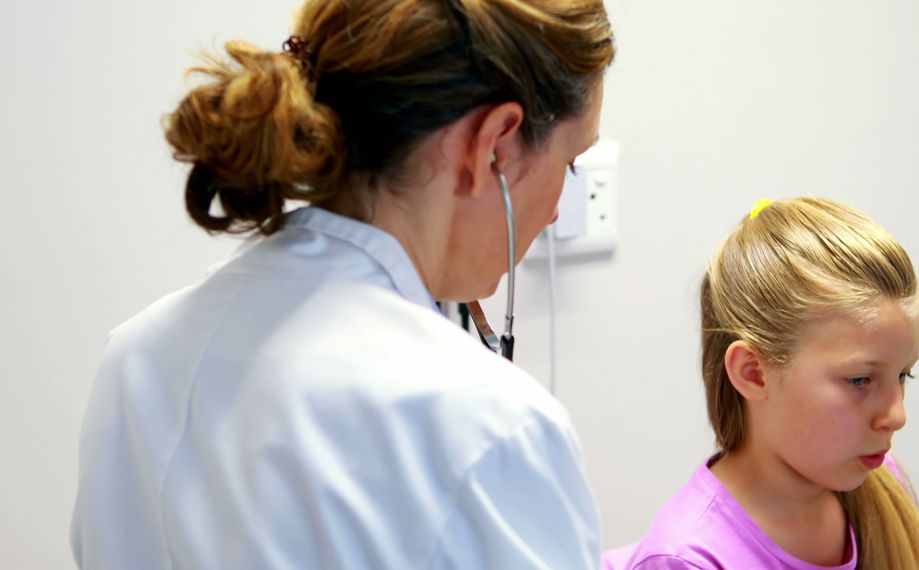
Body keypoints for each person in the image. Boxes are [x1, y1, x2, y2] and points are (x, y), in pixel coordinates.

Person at [70, 0, 614, 568]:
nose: (556, 211)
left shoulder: (135, 362)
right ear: (495, 146)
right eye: (571, 162)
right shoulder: (488, 429)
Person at [606, 198, 919, 569]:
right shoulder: (687, 560)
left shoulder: (882, 479)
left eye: (903, 375)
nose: (896, 415)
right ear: (753, 372)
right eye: (860, 380)